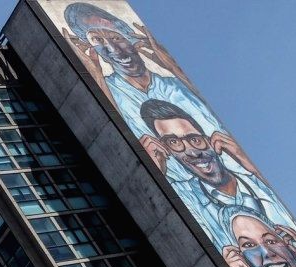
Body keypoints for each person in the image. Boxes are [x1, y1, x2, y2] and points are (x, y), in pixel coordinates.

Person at [63, 2, 223, 181]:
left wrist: (172, 66)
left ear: (132, 39)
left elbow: (218, 130)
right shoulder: (108, 91)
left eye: (116, 38)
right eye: (97, 40)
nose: (112, 49)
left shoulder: (175, 86)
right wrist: (97, 78)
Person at [139, 99, 296, 250]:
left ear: (211, 141)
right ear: (165, 149)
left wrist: (248, 164)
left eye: (195, 139)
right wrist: (153, 169)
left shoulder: (257, 184)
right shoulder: (182, 195)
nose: (192, 152)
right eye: (174, 143)